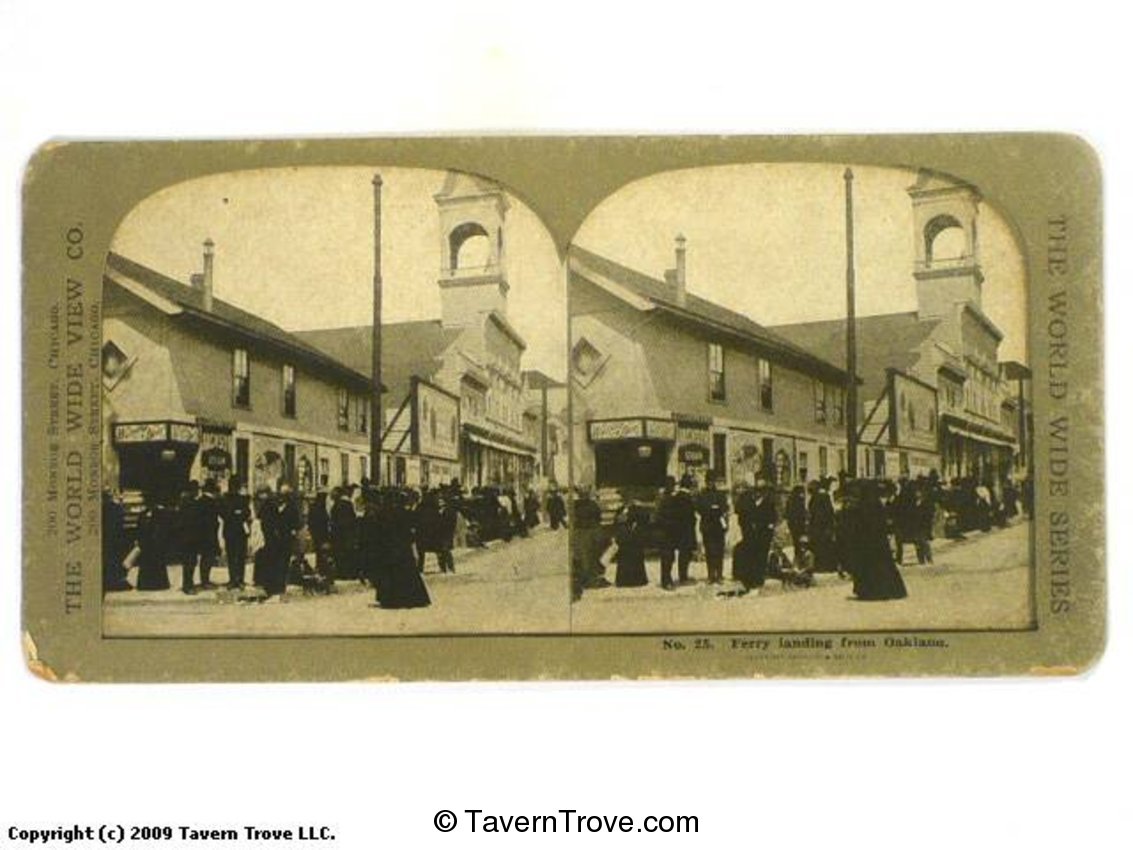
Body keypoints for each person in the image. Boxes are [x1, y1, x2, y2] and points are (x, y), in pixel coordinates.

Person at [844, 480, 908, 601]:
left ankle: (870, 591)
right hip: (879, 542)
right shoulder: (877, 504)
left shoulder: (862, 505)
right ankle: (887, 590)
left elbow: (859, 525)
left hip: (866, 543)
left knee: (868, 567)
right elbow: (882, 522)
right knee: (883, 566)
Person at [368, 489, 431, 609]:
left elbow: (377, 532)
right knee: (406, 572)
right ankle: (411, 598)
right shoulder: (405, 513)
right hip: (402, 548)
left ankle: (390, 599)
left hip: (388, 548)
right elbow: (411, 531)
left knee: (389, 573)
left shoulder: (382, 514)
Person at [655, 475, 697, 589]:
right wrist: (669, 524)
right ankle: (666, 581)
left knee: (670, 557)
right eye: (671, 485)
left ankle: (668, 579)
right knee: (666, 558)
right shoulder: (662, 499)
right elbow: (658, 518)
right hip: (664, 532)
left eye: (673, 485)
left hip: (671, 533)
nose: (673, 488)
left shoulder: (673, 499)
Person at [696, 471, 729, 584]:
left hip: (718, 526)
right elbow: (699, 509)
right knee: (709, 551)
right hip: (707, 526)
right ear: (706, 482)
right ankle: (711, 575)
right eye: (708, 481)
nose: (710, 483)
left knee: (719, 551)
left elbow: (725, 508)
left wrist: (716, 509)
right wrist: (711, 509)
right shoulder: (702, 495)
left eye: (712, 481)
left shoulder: (720, 494)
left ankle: (719, 574)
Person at [134, 498, 172, 591]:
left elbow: (163, 528)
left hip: (156, 542)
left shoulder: (160, 513)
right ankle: (146, 584)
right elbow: (139, 527)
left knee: (157, 562)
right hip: (146, 542)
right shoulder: (143, 514)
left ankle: (159, 584)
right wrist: (139, 539)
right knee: (146, 563)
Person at [221, 477, 252, 589]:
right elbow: (224, 514)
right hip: (233, 530)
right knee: (233, 555)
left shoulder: (243, 499)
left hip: (237, 530)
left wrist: (236, 513)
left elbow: (246, 512)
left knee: (239, 555)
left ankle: (238, 579)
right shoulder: (226, 499)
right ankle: (234, 579)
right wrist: (237, 513)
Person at [101, 489, 132, 592]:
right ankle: (115, 578)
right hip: (114, 537)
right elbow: (120, 522)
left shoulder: (106, 507)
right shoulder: (115, 507)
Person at [612, 504, 649, 588]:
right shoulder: (621, 509)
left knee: (636, 557)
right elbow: (616, 522)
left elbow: (644, 519)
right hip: (624, 537)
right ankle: (624, 581)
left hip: (635, 536)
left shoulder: (638, 508)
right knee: (624, 559)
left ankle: (638, 580)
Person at [808, 478, 838, 573]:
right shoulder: (818, 497)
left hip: (822, 526)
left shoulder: (822, 497)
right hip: (818, 526)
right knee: (820, 546)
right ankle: (823, 566)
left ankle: (825, 566)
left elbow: (828, 512)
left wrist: (829, 526)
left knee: (823, 546)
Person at [331, 486, 360, 582]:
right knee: (346, 553)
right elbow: (353, 519)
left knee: (341, 553)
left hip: (340, 533)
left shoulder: (338, 505)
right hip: (346, 533)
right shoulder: (347, 504)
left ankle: (342, 572)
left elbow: (335, 519)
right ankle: (348, 572)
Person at [785, 484, 808, 557]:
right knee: (798, 542)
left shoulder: (791, 500)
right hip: (797, 525)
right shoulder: (798, 501)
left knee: (796, 542)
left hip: (794, 524)